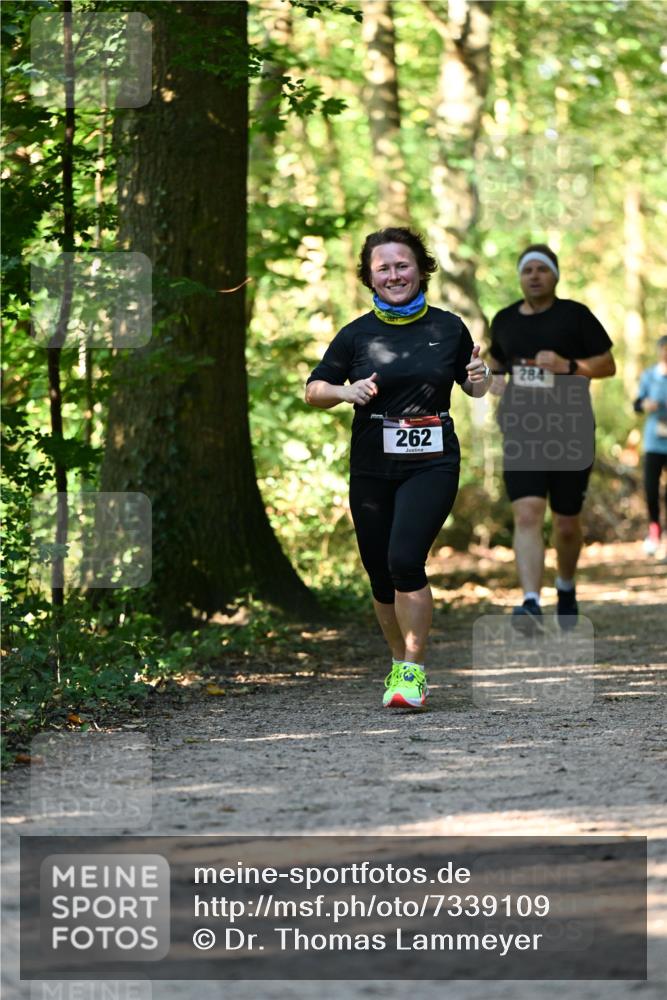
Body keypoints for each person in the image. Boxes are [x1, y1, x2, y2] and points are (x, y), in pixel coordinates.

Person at [305, 228, 491, 708]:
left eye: (402, 265)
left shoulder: (449, 328)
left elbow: (473, 387)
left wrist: (480, 378)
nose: (394, 275)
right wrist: (345, 391)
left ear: (421, 268)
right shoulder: (356, 334)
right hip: (372, 466)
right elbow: (314, 390)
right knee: (379, 572)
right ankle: (396, 665)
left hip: (432, 462)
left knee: (405, 559)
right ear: (369, 276)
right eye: (383, 268)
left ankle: (414, 667)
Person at [487, 243, 615, 631]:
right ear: (520, 277)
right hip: (522, 430)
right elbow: (496, 367)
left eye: (543, 269)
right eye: (528, 270)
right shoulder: (504, 320)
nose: (535, 276)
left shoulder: (576, 316)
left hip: (570, 431)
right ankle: (530, 601)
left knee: (566, 523)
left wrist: (569, 365)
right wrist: (488, 380)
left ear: (555, 275)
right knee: (526, 513)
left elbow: (608, 364)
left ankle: (566, 586)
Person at [634, 335, 667, 556]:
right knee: (651, 489)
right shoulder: (649, 375)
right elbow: (637, 403)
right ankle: (654, 532)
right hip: (653, 443)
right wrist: (646, 404)